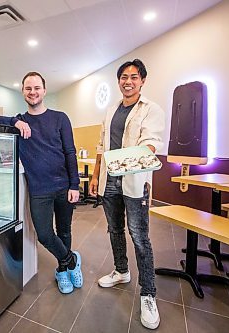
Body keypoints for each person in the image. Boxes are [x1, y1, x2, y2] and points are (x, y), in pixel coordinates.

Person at [0, 71, 83, 294]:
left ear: (44, 91)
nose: (33, 92)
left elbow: (69, 152)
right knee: (45, 234)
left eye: (37, 88)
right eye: (28, 88)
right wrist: (14, 121)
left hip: (64, 186)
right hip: (39, 189)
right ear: (23, 92)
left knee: (64, 231)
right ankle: (72, 260)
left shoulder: (60, 118)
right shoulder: (20, 122)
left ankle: (62, 270)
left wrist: (74, 185)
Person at [89, 59, 165, 329]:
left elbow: (150, 145)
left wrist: (130, 161)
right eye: (123, 76)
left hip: (134, 182)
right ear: (118, 80)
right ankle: (121, 271)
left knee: (140, 237)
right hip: (110, 181)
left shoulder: (151, 109)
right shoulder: (110, 112)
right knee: (115, 230)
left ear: (142, 80)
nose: (128, 81)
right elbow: (101, 146)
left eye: (134, 76)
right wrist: (97, 174)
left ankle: (148, 294)